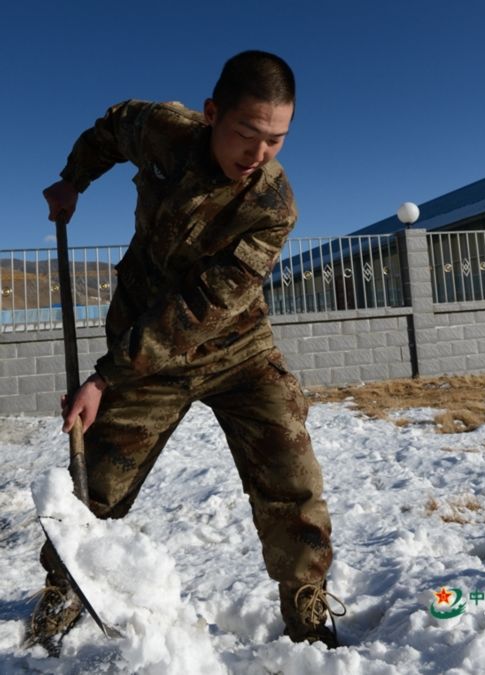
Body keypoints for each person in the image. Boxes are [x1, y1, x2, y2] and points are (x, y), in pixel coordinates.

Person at [27, 50, 344, 654]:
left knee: (291, 472)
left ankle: (304, 597)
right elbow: (110, 127)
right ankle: (66, 584)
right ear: (211, 114)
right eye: (246, 133)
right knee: (98, 482)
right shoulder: (163, 131)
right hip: (143, 346)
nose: (258, 154)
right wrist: (74, 177)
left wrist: (104, 375)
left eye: (276, 140)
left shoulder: (272, 206)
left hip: (236, 352)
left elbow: (202, 308)